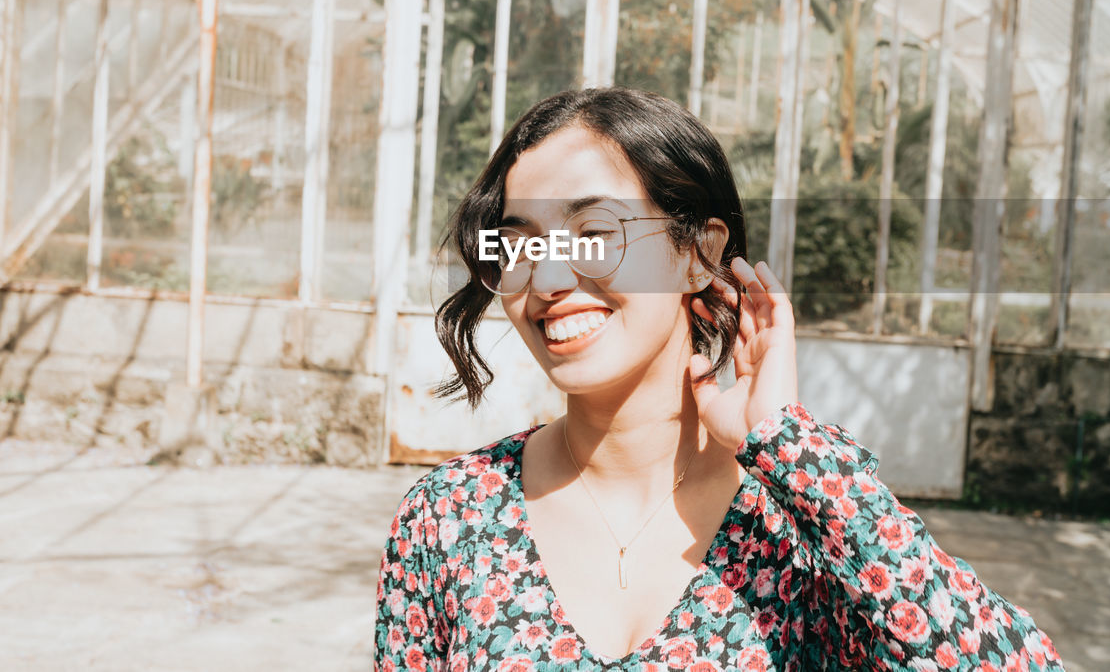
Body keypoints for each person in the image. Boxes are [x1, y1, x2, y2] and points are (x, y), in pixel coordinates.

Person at [375, 87, 1067, 671]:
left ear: (696, 253)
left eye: (593, 233)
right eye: (523, 244)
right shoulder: (449, 520)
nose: (549, 279)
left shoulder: (801, 532)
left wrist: (790, 445)